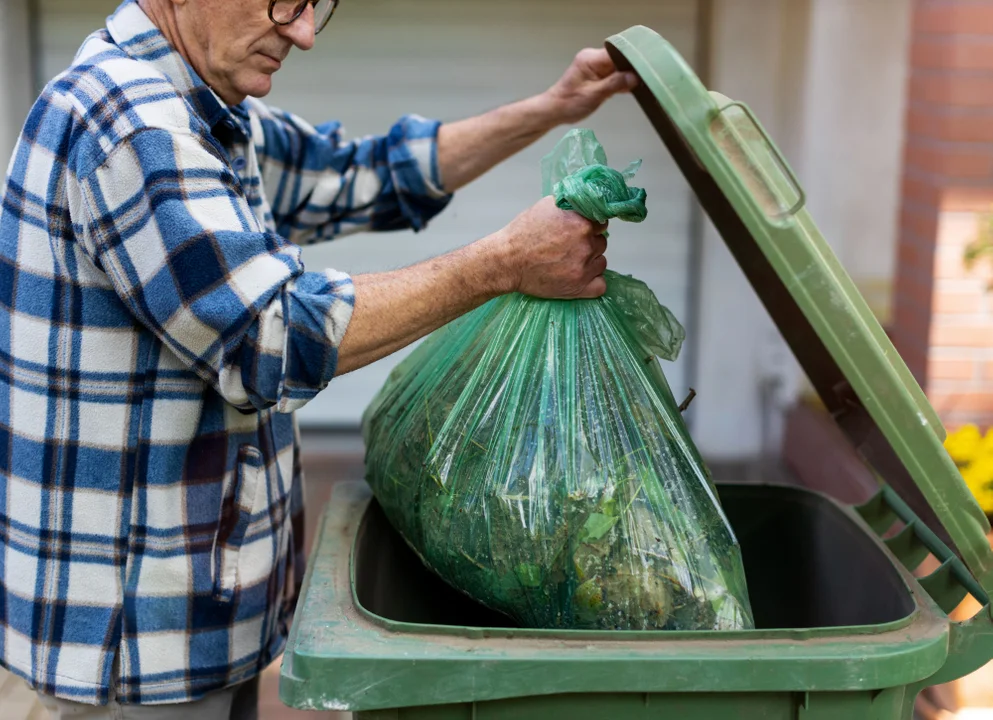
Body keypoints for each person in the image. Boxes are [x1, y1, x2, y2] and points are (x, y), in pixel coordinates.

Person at [0, 0, 637, 716]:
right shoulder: (128, 121)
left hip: (194, 621)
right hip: (136, 645)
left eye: (316, 7)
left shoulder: (202, 108)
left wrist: (553, 106)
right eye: (284, 2)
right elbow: (268, 338)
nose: (303, 34)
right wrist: (503, 263)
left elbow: (362, 174)